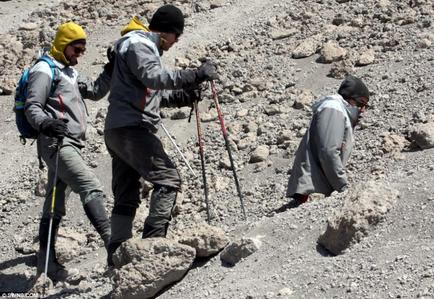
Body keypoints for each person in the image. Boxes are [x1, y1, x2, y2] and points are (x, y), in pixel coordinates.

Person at [104, 5, 218, 265]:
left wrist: (182, 96)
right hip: (133, 129)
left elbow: (148, 93)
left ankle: (117, 256)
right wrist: (194, 75)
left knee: (126, 193)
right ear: (168, 32)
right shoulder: (140, 44)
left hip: (118, 129)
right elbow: (154, 77)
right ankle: (153, 247)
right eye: (177, 36)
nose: (176, 43)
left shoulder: (134, 46)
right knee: (168, 178)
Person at [25, 21, 113, 281]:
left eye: (83, 50)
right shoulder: (44, 69)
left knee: (55, 204)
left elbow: (95, 91)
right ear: (64, 45)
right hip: (56, 144)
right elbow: (32, 106)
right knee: (90, 185)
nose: (80, 54)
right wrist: (46, 123)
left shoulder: (69, 72)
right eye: (77, 49)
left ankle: (47, 263)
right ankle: (114, 245)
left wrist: (111, 68)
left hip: (70, 143)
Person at [285, 75, 370, 208]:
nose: (363, 110)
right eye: (360, 103)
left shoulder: (338, 110)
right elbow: (329, 151)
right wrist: (342, 186)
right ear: (349, 98)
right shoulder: (333, 108)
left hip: (316, 188)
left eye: (366, 106)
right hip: (313, 190)